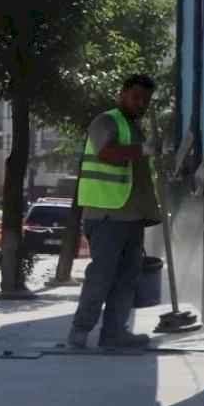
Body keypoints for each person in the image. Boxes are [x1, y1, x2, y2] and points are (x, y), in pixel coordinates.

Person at [68, 74, 163, 349]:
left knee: (126, 280)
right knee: (102, 276)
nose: (141, 103)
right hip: (107, 214)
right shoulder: (106, 121)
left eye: (146, 99)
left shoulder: (135, 128)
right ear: (122, 93)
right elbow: (106, 153)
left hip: (132, 216)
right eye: (136, 97)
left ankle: (114, 333)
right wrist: (143, 150)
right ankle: (79, 331)